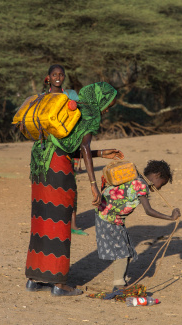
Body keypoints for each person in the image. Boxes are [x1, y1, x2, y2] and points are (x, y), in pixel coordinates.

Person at [25, 65, 123, 296]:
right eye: (108, 105)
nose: (107, 110)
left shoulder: (71, 109)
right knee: (59, 223)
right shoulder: (87, 112)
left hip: (41, 167)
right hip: (58, 171)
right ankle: (59, 284)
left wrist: (102, 153)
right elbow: (84, 148)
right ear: (101, 99)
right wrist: (92, 185)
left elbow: (68, 146)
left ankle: (35, 277)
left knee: (41, 221)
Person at [95, 160, 181, 292]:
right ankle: (118, 285)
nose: (159, 188)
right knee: (122, 252)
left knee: (126, 249)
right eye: (161, 184)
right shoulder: (141, 185)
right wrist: (170, 217)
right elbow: (148, 211)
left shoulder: (138, 179)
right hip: (109, 217)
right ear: (157, 175)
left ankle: (120, 282)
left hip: (110, 216)